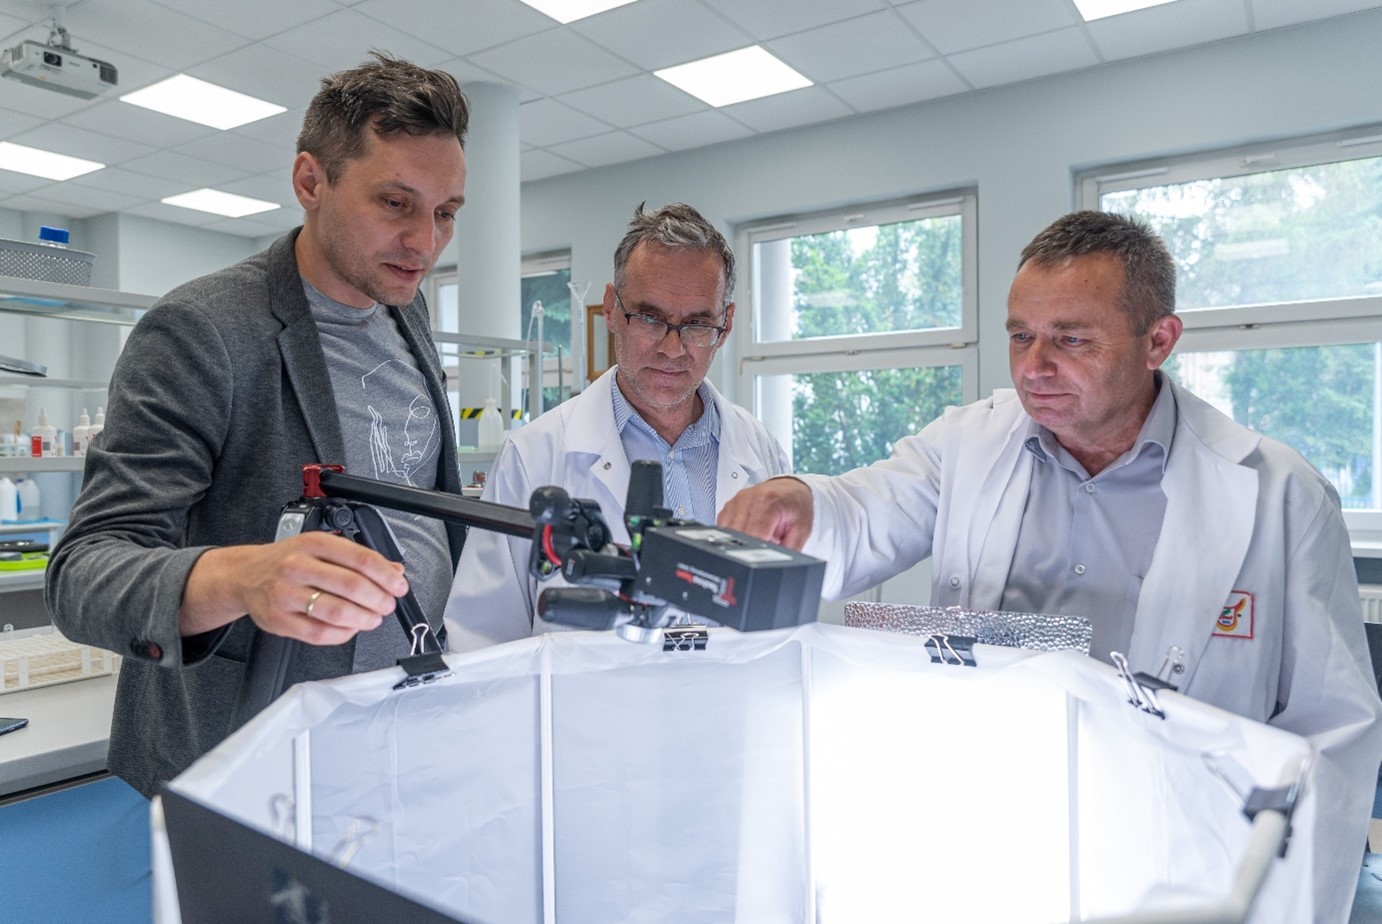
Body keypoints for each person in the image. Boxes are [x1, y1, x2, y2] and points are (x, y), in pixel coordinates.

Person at [719, 211, 1382, 923]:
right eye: (1020, 336)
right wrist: (803, 501)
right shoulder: (969, 444)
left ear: (1159, 341)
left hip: (1178, 859)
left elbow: (1333, 735)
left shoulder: (1280, 495)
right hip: (999, 834)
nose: (1033, 367)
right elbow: (864, 508)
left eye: (1071, 339)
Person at [45, 53, 470, 798]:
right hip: (256, 756)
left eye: (445, 213)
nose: (425, 242)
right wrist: (244, 577)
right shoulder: (201, 329)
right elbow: (84, 572)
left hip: (407, 730)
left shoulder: (407, 310)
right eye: (395, 203)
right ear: (311, 181)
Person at [443, 202, 789, 650]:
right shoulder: (533, 456)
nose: (672, 348)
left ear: (724, 327)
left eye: (697, 324)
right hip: (585, 699)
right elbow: (480, 640)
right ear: (610, 308)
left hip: (735, 695)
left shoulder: (762, 453)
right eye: (650, 318)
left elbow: (782, 619)